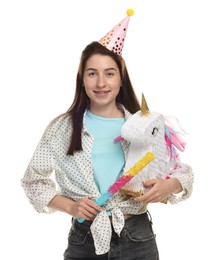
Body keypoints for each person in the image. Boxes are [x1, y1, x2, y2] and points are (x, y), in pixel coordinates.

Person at [21, 10, 194, 260]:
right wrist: (71, 206)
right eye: (92, 73)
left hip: (138, 238)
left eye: (109, 73)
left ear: (121, 79)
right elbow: (32, 181)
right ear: (82, 79)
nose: (101, 82)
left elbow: (182, 171)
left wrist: (169, 185)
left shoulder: (143, 125)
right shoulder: (61, 129)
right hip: (84, 239)